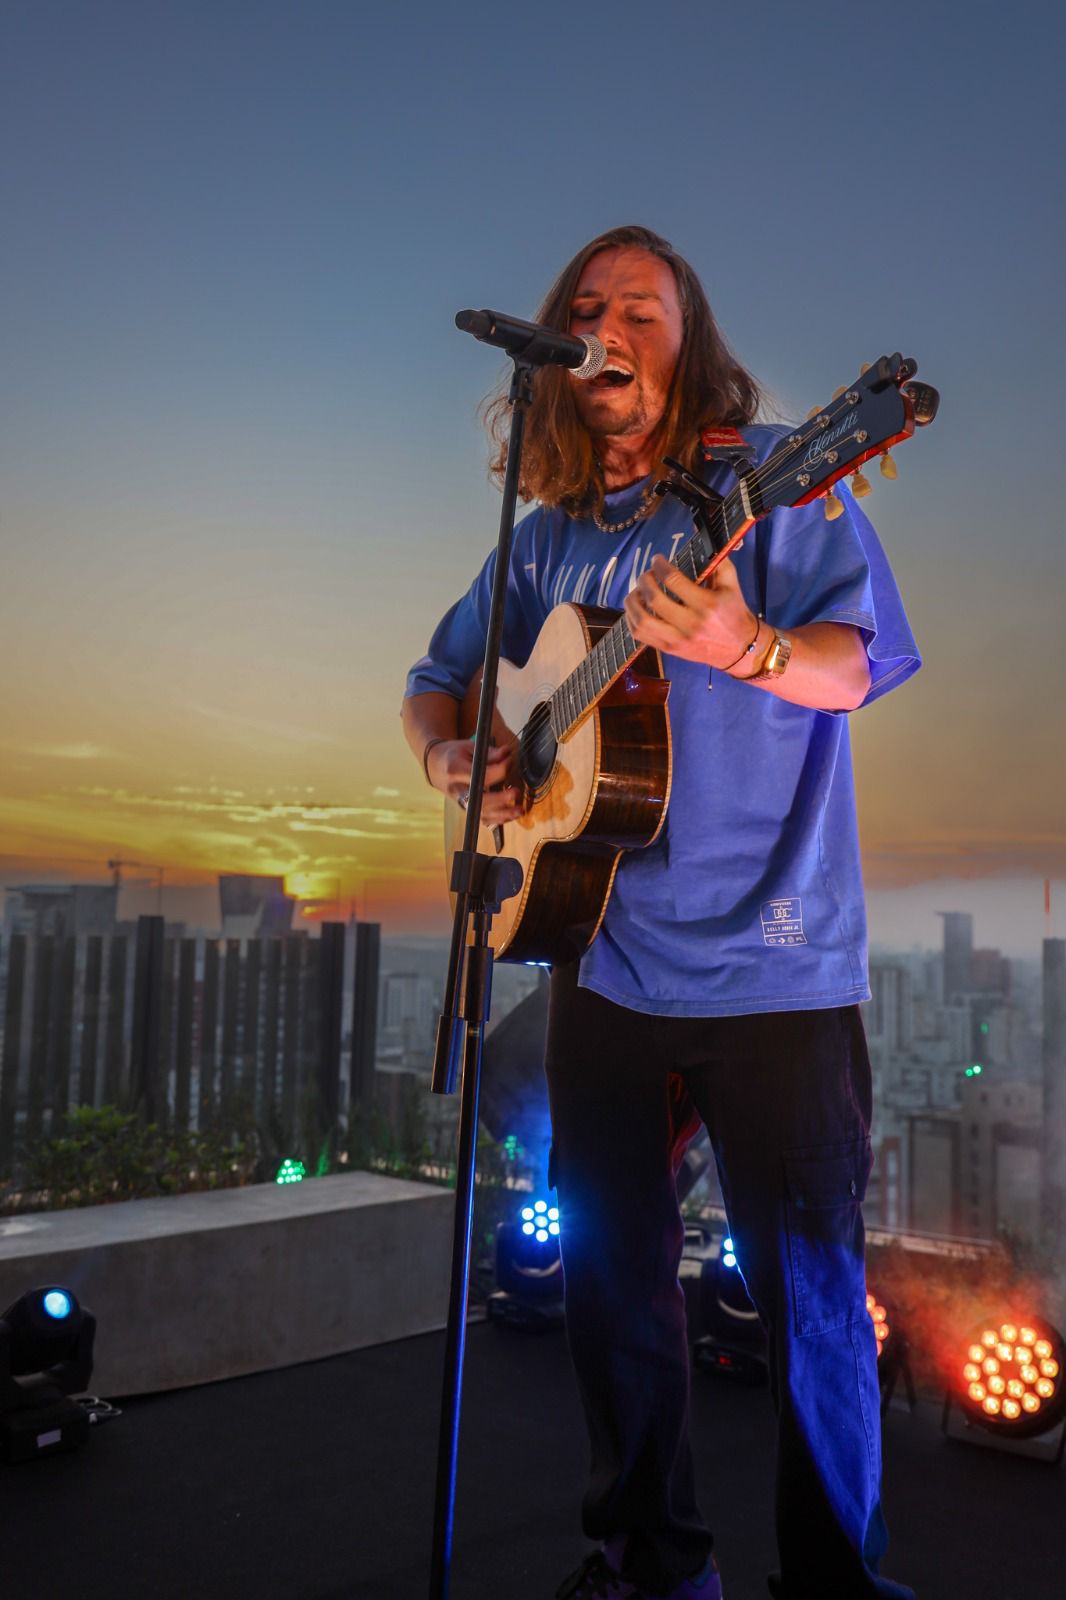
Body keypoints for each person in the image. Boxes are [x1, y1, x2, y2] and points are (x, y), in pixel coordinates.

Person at [402, 225, 920, 1600]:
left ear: (690, 344)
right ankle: (648, 1566)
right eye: (585, 307)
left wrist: (744, 643)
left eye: (640, 306)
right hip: (602, 960)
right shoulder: (547, 539)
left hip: (777, 967)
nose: (607, 326)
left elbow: (853, 668)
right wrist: (457, 757)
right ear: (555, 356)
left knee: (813, 1301)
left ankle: (835, 1581)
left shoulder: (780, 480)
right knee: (610, 1288)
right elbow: (436, 682)